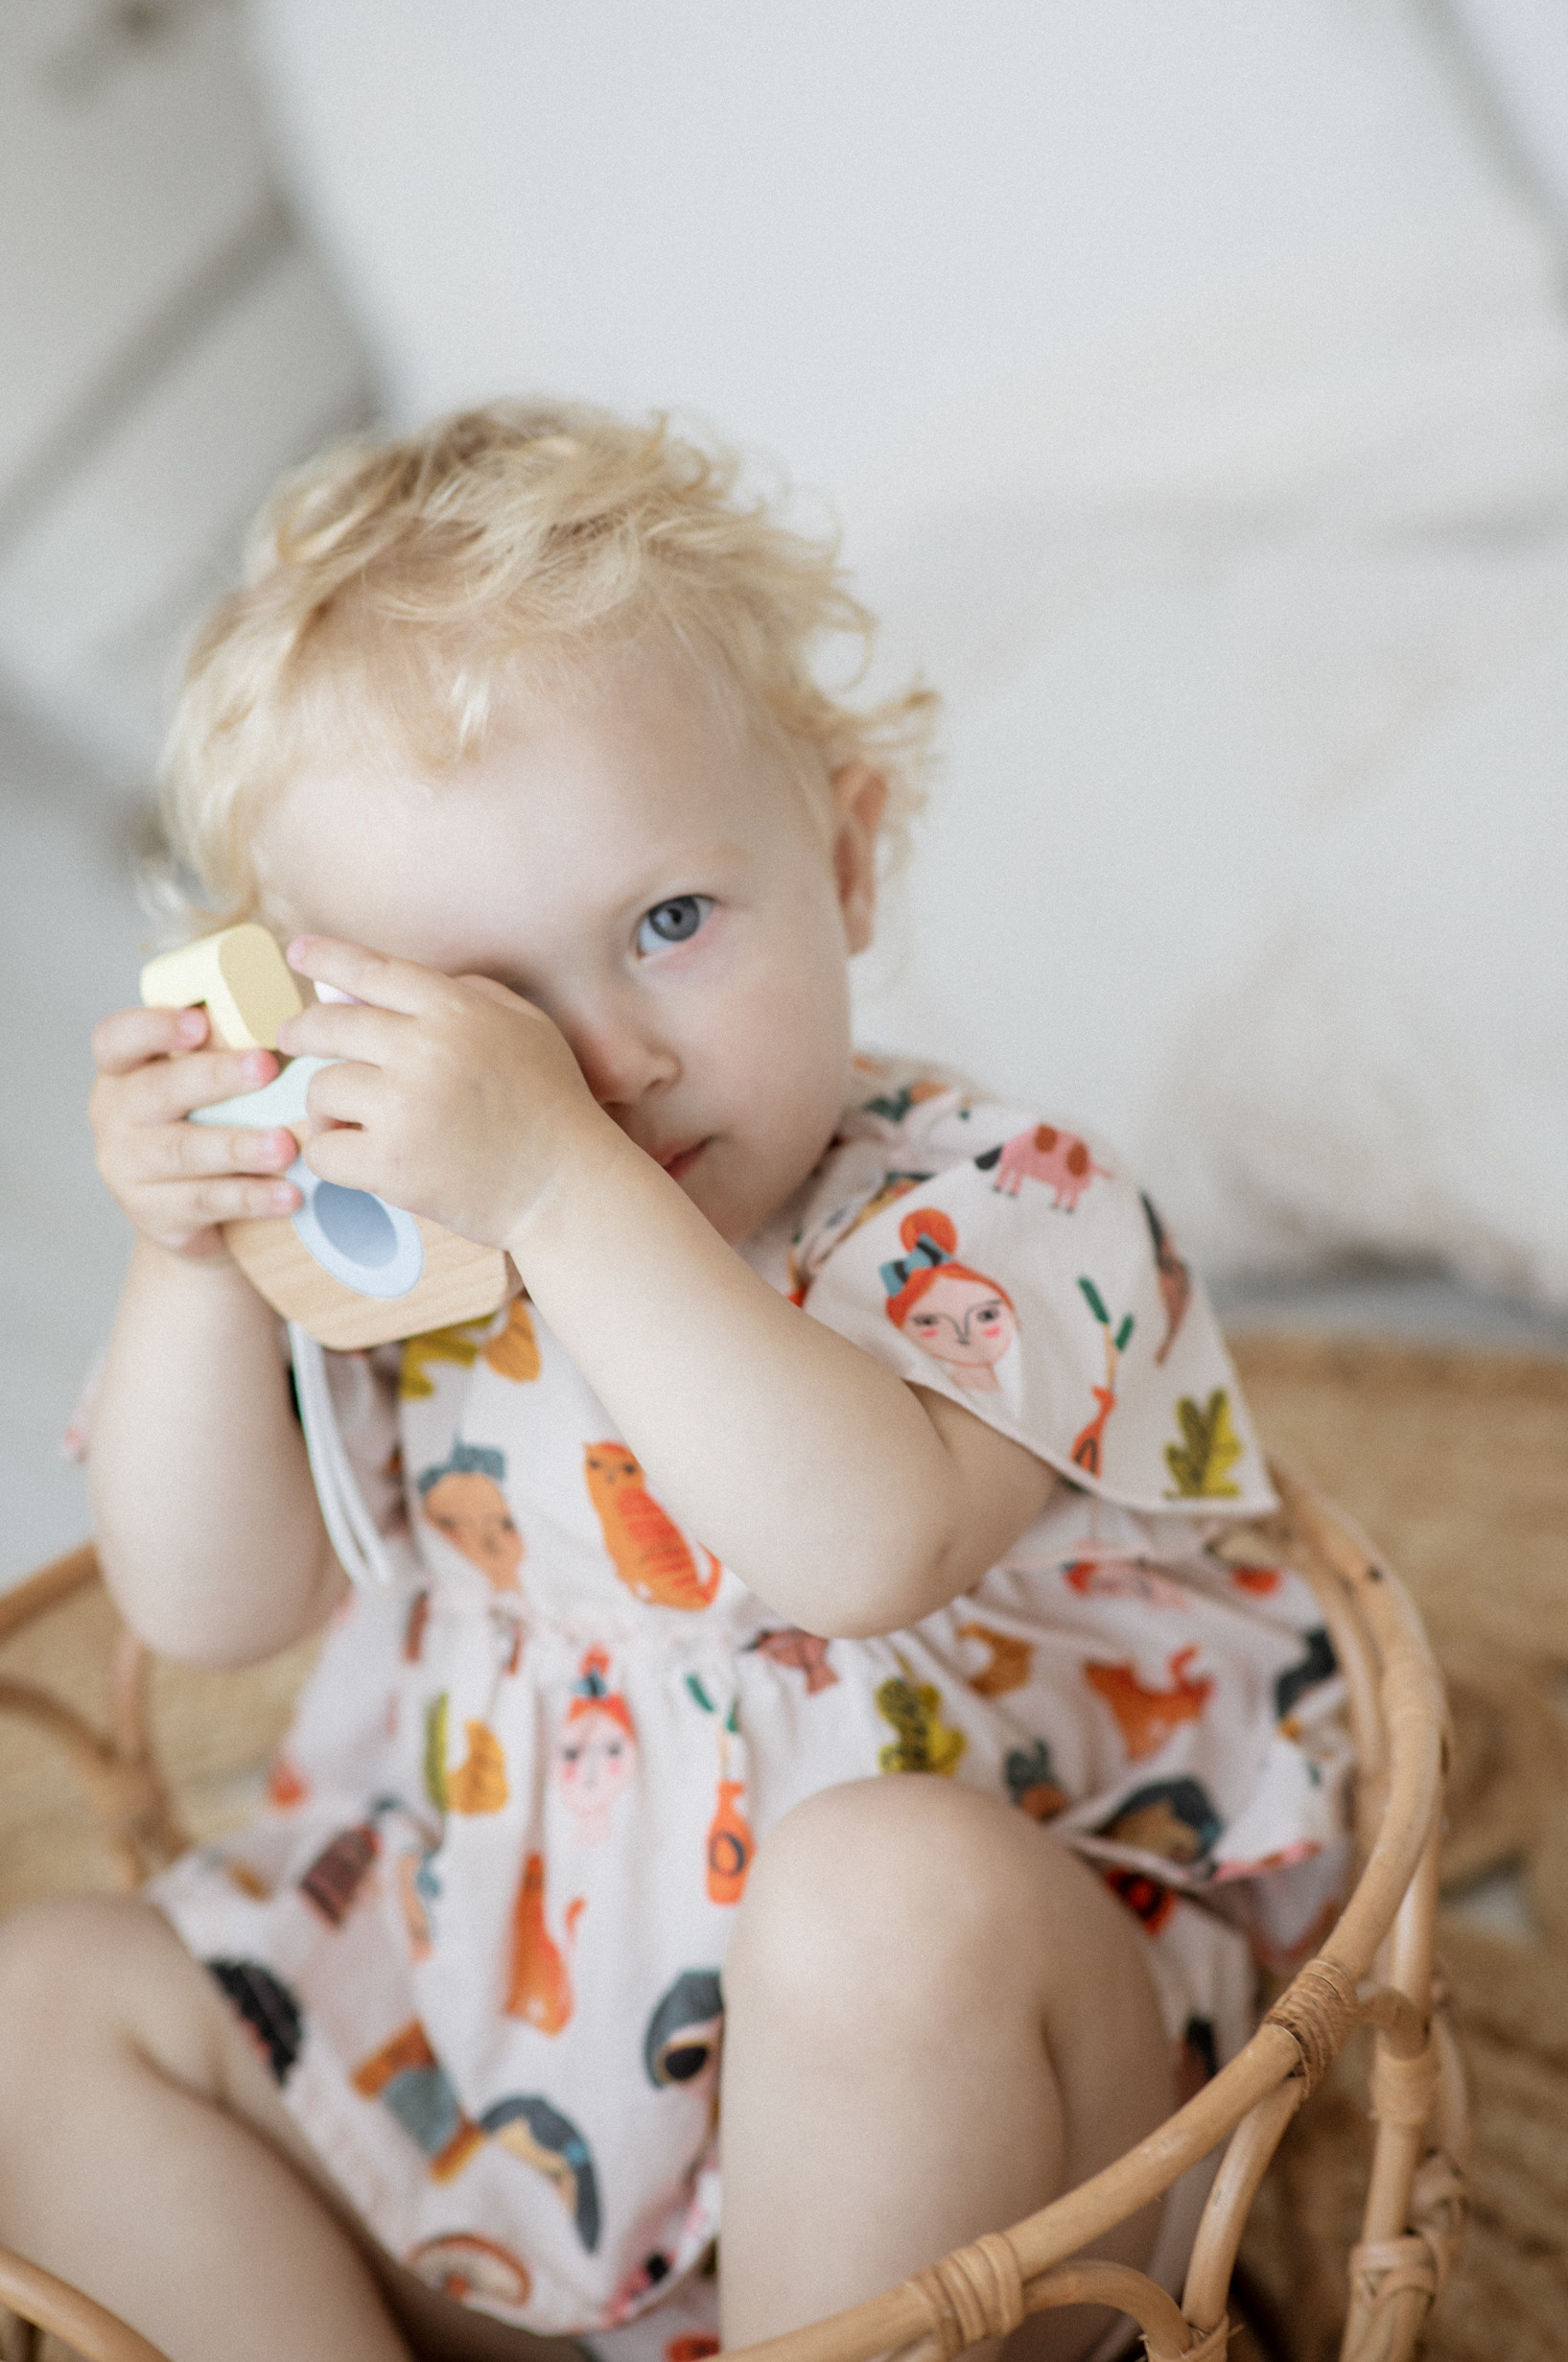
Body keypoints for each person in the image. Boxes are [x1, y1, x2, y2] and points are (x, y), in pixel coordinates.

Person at [0, 404, 1350, 2362]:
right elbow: (209, 1608)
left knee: (886, 1896)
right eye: (485, 1015)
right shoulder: (403, 1251)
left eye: (668, 925)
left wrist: (556, 1182)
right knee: (39, 2010)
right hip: (503, 2089)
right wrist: (197, 1250)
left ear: (849, 857)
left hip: (986, 2161)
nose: (599, 1066)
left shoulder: (999, 1208)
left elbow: (860, 1549)